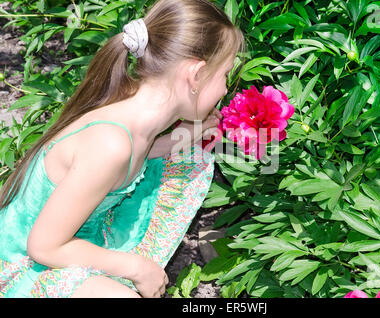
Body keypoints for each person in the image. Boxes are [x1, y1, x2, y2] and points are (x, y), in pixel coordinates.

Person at [0, 0, 246, 298]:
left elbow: (136, 156)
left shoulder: (131, 108)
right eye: (225, 75)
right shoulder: (110, 144)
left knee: (186, 158)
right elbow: (43, 246)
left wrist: (180, 139)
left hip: (62, 241)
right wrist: (136, 267)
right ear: (196, 75)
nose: (224, 90)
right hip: (21, 266)